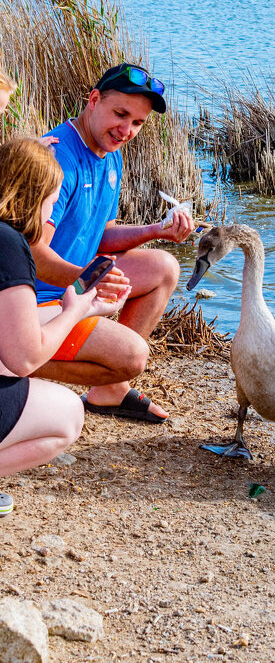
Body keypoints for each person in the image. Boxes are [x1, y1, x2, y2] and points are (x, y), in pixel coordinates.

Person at [31, 63, 195, 423]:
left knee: (164, 267)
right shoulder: (58, 159)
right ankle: (12, 361)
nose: (126, 131)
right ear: (94, 100)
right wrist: (87, 278)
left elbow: (100, 235)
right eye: (120, 114)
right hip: (34, 298)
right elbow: (32, 254)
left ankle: (110, 391)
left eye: (137, 123)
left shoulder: (111, 155)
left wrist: (157, 230)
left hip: (74, 283)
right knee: (132, 357)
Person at [0, 139, 131, 514]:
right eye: (51, 201)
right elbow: (24, 358)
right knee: (69, 415)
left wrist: (89, 308)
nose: (49, 215)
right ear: (33, 197)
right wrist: (74, 312)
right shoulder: (10, 246)